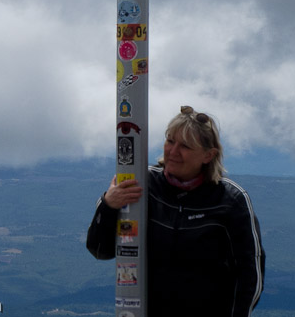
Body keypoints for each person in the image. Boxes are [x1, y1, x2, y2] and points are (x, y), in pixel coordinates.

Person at [86, 106, 265, 316]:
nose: (173, 152)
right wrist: (108, 206)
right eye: (170, 141)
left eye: (185, 146)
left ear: (209, 155)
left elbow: (250, 275)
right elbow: (99, 250)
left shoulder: (231, 200)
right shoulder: (142, 183)